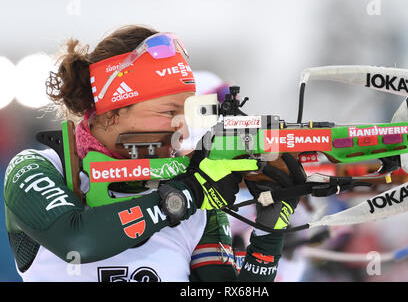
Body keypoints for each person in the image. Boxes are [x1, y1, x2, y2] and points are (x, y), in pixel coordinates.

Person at [3, 25, 302, 282]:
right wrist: (186, 195)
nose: (182, 128)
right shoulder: (38, 167)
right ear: (112, 113)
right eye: (169, 111)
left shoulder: (193, 191)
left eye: (186, 112)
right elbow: (77, 241)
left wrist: (269, 233)